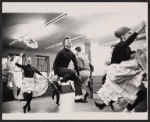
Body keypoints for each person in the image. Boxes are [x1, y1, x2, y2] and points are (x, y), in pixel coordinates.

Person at [95, 21, 147, 112]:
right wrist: (141, 28)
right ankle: (123, 108)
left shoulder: (127, 48)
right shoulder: (120, 45)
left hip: (121, 71)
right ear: (123, 36)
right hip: (117, 71)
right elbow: (130, 40)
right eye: (129, 33)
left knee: (138, 94)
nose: (131, 34)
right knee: (116, 92)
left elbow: (130, 55)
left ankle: (124, 109)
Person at [53, 37, 86, 103]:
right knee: (73, 72)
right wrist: (55, 74)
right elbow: (55, 63)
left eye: (70, 41)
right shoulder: (61, 52)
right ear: (64, 44)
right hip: (59, 69)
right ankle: (61, 81)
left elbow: (76, 65)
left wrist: (79, 75)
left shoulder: (72, 54)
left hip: (66, 70)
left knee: (76, 78)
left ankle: (78, 97)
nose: (70, 42)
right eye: (68, 41)